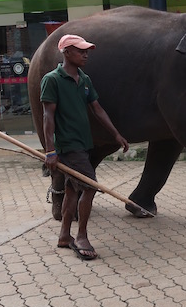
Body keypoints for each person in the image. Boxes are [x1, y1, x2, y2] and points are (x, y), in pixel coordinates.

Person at [41, 34, 129, 260]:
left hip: (83, 145)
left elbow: (97, 109)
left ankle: (64, 235)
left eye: (87, 50)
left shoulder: (84, 79)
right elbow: (47, 117)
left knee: (73, 190)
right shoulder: (52, 80)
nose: (85, 54)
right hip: (67, 146)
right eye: (81, 50)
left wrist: (116, 134)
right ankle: (81, 236)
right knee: (90, 187)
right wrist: (50, 151)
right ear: (67, 52)